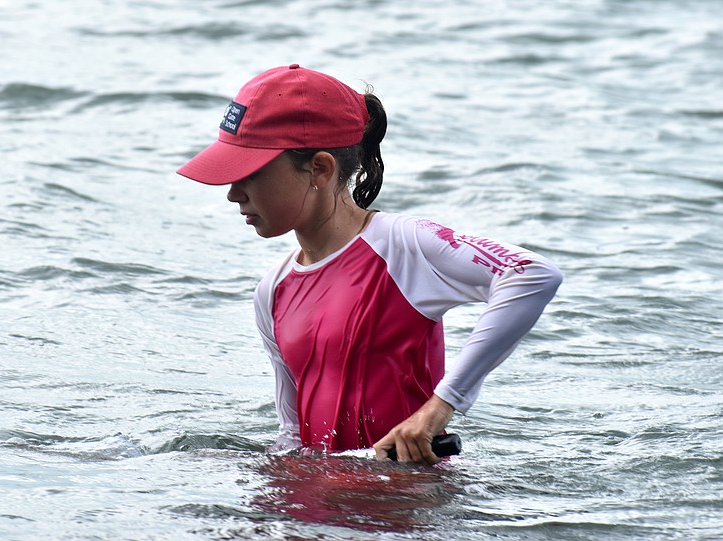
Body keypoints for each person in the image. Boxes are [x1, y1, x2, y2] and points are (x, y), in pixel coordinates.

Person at [177, 64, 562, 464]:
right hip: (316, 514)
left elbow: (531, 275)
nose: (233, 194)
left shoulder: (403, 246)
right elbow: (292, 435)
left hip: (409, 506)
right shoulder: (272, 292)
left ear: (320, 169)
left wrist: (441, 406)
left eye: (250, 173)